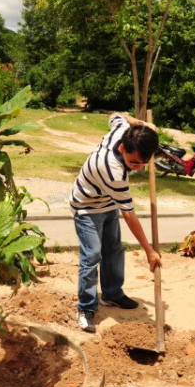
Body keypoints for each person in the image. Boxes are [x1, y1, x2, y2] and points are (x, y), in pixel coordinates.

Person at [70, 113, 163, 333]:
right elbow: (130, 215)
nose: (138, 168)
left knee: (114, 248)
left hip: (108, 201)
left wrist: (141, 124)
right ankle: (86, 308)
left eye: (144, 163)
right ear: (122, 148)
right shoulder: (113, 172)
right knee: (92, 254)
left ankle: (111, 294)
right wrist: (149, 251)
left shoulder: (123, 131)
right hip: (87, 205)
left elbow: (117, 116)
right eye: (134, 162)